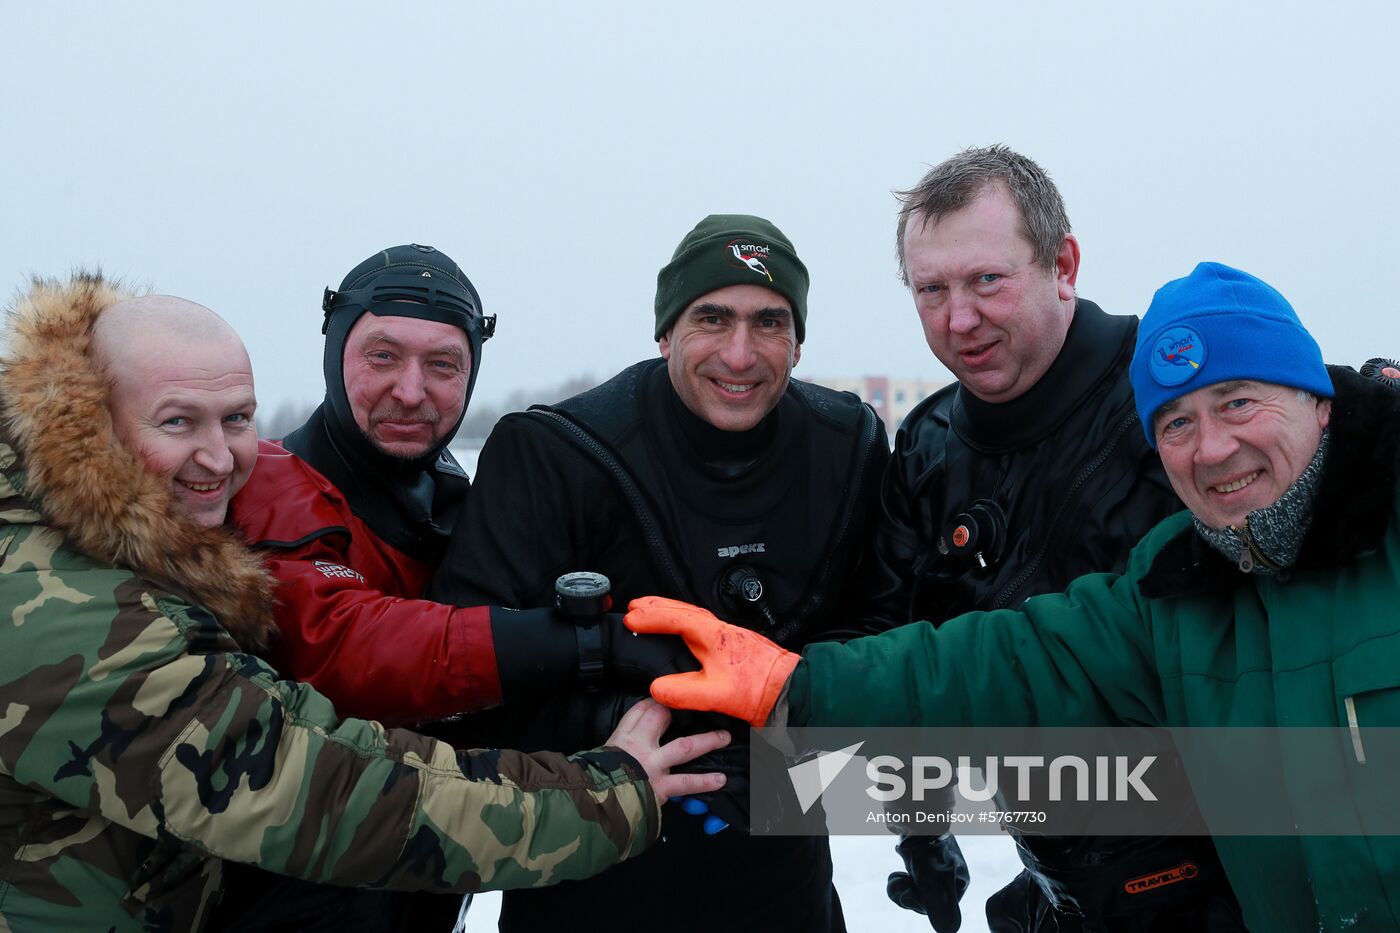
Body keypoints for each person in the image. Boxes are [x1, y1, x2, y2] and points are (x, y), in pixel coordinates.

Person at [626, 261, 1400, 933]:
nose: (1213, 448)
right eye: (1176, 422)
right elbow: (996, 665)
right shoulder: (1173, 589)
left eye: (1238, 402)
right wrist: (794, 685)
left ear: (1318, 397)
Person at [0, 273, 728, 933]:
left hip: (714, 804)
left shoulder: (455, 499)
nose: (739, 353)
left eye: (237, 418)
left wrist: (781, 727)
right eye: (177, 421)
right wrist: (591, 668)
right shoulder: (83, 597)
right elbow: (320, 748)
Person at [428, 214, 890, 932]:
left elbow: (888, 634)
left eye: (769, 322)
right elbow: (462, 683)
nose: (739, 353)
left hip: (782, 870)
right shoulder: (556, 453)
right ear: (666, 332)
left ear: (798, 343)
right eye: (712, 317)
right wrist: (627, 725)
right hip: (596, 864)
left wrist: (800, 738)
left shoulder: (847, 446)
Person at [852, 146, 1240, 931]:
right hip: (1060, 885)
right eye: (932, 290)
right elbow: (892, 660)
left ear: (1063, 265)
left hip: (1239, 872)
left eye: (987, 280)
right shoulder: (926, 450)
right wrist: (921, 830)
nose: (959, 319)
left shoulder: (1177, 401)